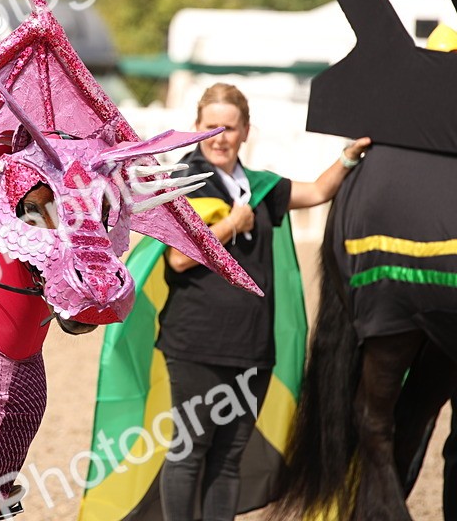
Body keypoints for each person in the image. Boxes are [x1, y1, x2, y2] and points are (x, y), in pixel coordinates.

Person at [156, 83, 370, 520]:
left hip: (252, 345)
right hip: (195, 342)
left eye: (229, 128)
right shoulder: (180, 182)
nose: (219, 137)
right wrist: (233, 223)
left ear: (246, 132)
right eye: (210, 127)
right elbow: (178, 258)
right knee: (189, 450)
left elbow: (315, 192)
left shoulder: (259, 186)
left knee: (229, 457)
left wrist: (351, 156)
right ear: (195, 129)